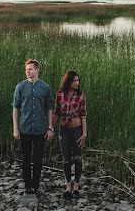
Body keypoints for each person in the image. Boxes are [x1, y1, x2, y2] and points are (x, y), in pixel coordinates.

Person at [12, 58, 54, 195]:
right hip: (24, 128)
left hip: (40, 129)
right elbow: (16, 108)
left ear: (37, 70)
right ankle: (27, 185)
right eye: (26, 70)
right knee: (25, 158)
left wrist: (50, 127)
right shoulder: (20, 87)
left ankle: (35, 185)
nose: (27, 72)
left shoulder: (45, 87)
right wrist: (15, 128)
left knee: (37, 159)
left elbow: (49, 108)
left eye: (30, 69)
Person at [53, 69, 87, 199]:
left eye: (78, 80)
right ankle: (68, 185)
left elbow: (84, 116)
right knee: (66, 160)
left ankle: (76, 185)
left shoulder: (81, 95)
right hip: (64, 129)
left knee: (78, 158)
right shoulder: (60, 94)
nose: (77, 83)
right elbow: (56, 112)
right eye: (74, 80)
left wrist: (84, 133)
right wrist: (50, 127)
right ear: (68, 81)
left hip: (77, 129)